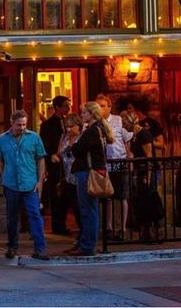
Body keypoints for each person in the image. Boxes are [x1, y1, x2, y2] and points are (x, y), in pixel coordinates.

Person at [0, 110, 50, 261]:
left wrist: (39, 181)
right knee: (12, 217)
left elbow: (41, 159)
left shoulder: (34, 138)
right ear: (12, 123)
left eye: (24, 124)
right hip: (11, 184)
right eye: (19, 125)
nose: (22, 127)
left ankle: (40, 248)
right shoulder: (3, 139)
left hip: (30, 183)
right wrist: (4, 175)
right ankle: (12, 246)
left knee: (35, 215)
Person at [68, 101, 113, 257]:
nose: (82, 115)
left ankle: (87, 245)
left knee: (88, 210)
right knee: (90, 209)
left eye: (84, 113)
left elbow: (77, 150)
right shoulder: (100, 129)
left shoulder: (92, 132)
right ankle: (84, 242)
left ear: (91, 114)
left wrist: (73, 141)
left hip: (88, 173)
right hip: (94, 171)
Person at [98, 94, 133, 241]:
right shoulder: (95, 123)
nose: (99, 109)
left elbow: (127, 139)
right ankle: (108, 227)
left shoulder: (118, 121)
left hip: (119, 162)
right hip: (104, 165)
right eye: (97, 106)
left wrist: (128, 155)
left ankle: (121, 228)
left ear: (109, 107)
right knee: (107, 198)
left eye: (102, 106)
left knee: (121, 197)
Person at [40, 95, 71, 235]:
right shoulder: (47, 125)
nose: (68, 108)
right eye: (65, 105)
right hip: (54, 164)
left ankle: (64, 223)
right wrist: (50, 156)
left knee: (66, 195)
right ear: (57, 107)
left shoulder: (68, 122)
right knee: (56, 195)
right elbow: (44, 145)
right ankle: (57, 225)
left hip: (67, 164)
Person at [132, 117, 166, 240]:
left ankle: (156, 229)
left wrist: (148, 175)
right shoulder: (136, 133)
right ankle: (145, 230)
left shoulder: (148, 130)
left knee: (153, 198)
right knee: (143, 200)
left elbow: (153, 152)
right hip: (141, 171)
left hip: (150, 170)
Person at [58, 113, 83, 249]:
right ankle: (81, 231)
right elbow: (59, 151)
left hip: (79, 175)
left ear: (78, 126)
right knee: (74, 206)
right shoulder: (65, 137)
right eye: (67, 127)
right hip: (68, 176)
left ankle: (84, 233)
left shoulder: (82, 137)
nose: (69, 129)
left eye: (71, 126)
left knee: (81, 207)